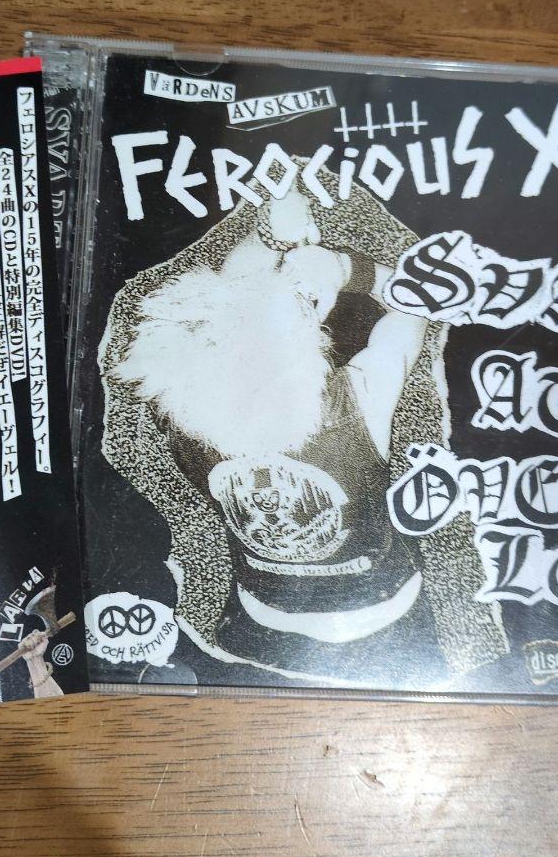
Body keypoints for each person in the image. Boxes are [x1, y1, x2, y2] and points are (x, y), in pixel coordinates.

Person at [111, 191, 453, 683]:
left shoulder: (175, 406)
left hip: (260, 613)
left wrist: (270, 236)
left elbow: (226, 296)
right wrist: (344, 268)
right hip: (385, 617)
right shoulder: (358, 398)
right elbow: (419, 303)